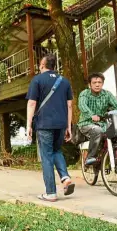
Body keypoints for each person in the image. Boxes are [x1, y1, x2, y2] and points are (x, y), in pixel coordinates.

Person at [26, 54, 75, 202]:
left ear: (42, 65)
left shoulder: (37, 80)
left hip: (44, 124)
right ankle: (65, 177)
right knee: (56, 151)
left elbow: (32, 103)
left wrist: (28, 125)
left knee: (46, 156)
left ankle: (51, 193)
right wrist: (69, 126)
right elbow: (70, 105)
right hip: (61, 124)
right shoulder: (64, 81)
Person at [78, 73, 117, 165]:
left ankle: (116, 163)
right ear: (90, 84)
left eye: (99, 82)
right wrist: (91, 115)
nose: (97, 84)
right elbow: (82, 105)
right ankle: (90, 157)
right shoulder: (84, 94)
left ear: (103, 83)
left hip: (103, 123)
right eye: (94, 82)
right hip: (86, 123)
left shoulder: (107, 94)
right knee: (97, 130)